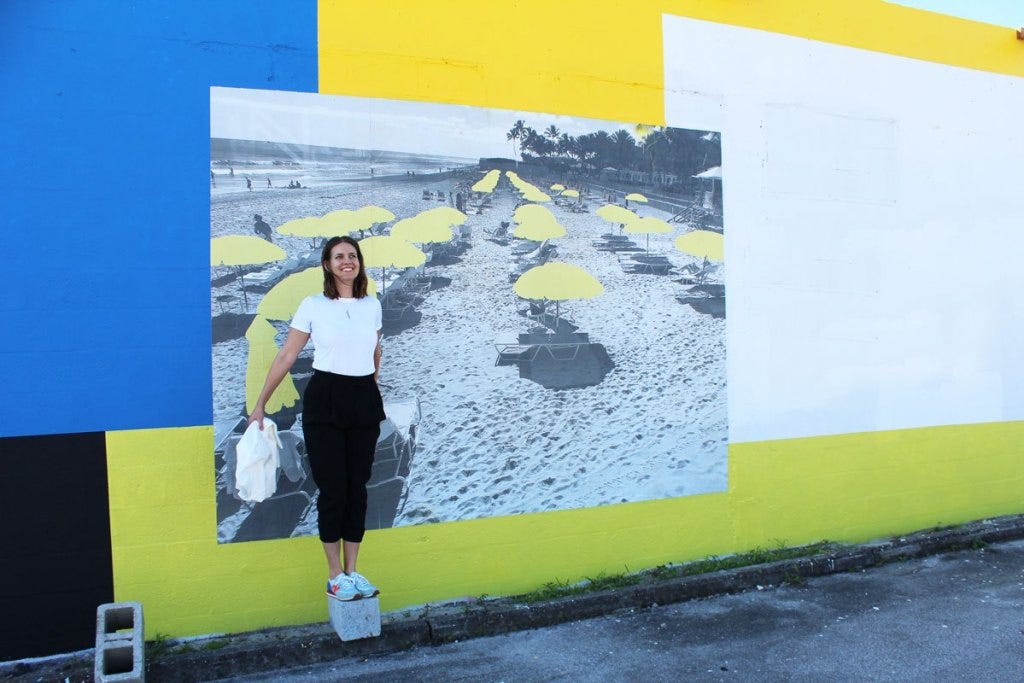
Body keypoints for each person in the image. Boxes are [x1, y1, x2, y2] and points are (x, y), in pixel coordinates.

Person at [248, 236, 385, 602]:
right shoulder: (312, 305)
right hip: (325, 400)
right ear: (327, 264)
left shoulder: (372, 304)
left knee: (357, 488)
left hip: (363, 400)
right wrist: (260, 403)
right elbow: (287, 356)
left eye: (352, 256)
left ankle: (353, 571)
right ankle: (334, 574)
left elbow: (375, 349)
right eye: (339, 256)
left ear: (359, 263)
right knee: (333, 488)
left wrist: (370, 383)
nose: (347, 261)